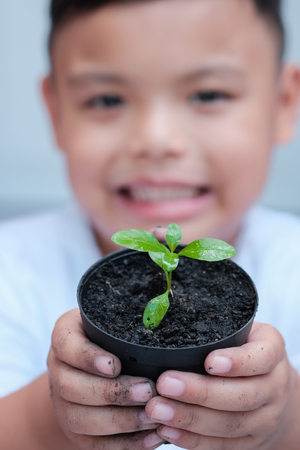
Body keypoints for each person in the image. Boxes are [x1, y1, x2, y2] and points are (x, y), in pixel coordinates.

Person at [1, 0, 300, 448]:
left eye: (208, 94)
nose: (157, 141)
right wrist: (53, 419)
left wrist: (286, 423)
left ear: (283, 103)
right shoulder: (10, 270)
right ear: (57, 111)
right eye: (107, 99)